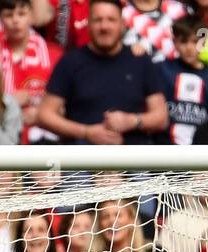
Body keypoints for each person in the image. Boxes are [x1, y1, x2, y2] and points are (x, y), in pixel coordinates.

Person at [37, 0, 169, 145]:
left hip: (134, 159)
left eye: (111, 20)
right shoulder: (70, 62)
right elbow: (45, 114)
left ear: (123, 24)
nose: (104, 26)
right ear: (88, 24)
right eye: (98, 20)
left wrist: (132, 121)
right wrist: (85, 132)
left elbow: (161, 118)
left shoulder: (141, 61)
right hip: (82, 159)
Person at [0, 0, 61, 143]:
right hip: (6, 138)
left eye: (21, 14)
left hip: (51, 137)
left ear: (31, 16)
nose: (15, 20)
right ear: (0, 20)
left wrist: (41, 114)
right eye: (8, 15)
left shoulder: (55, 54)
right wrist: (10, 103)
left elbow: (67, 103)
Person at [162, 14, 208, 145]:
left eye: (195, 41)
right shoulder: (162, 70)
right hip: (164, 148)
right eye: (184, 41)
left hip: (201, 152)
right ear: (174, 42)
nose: (189, 48)